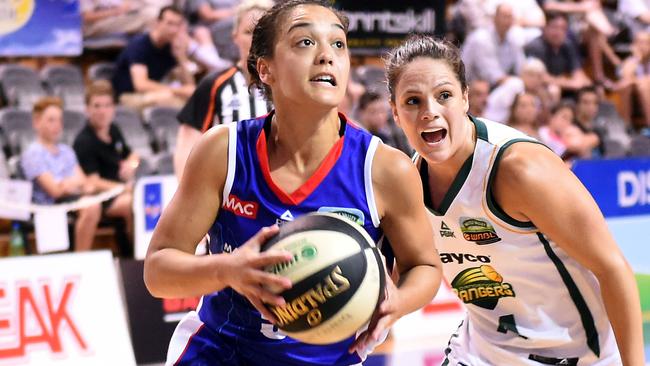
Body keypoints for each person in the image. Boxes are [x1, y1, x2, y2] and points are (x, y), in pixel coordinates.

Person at [144, 1, 442, 365]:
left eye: (338, 44)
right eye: (305, 42)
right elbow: (158, 270)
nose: (326, 56)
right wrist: (227, 270)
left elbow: (424, 267)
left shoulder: (385, 168)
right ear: (264, 69)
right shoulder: (222, 151)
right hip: (220, 352)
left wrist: (398, 301)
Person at [385, 34, 645, 365]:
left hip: (576, 354)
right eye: (412, 101)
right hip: (481, 352)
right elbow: (410, 275)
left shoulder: (519, 169)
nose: (429, 112)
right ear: (394, 112)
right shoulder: (407, 184)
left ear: (465, 98)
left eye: (444, 95)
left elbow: (612, 268)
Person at [174, 0, 273, 178]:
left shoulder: (289, 85)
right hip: (229, 192)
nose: (256, 39)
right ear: (234, 36)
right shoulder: (215, 84)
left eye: (263, 33)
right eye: (248, 32)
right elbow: (187, 142)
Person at [21, 97, 102, 252]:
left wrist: (66, 184)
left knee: (94, 203)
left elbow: (86, 184)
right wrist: (73, 183)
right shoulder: (32, 153)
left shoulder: (66, 151)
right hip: (48, 206)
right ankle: (81, 259)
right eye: (51, 120)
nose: (57, 125)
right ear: (37, 122)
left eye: (59, 120)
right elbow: (54, 191)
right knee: (92, 206)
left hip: (71, 200)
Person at [73, 81, 138, 255]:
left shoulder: (114, 130)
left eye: (107, 105)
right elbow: (92, 181)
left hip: (119, 190)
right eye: (97, 106)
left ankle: (140, 253)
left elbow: (132, 155)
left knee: (144, 199)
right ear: (87, 109)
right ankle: (134, 255)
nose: (102, 111)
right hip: (99, 197)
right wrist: (123, 189)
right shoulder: (84, 141)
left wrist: (130, 165)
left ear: (113, 108)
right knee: (134, 202)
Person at [112, 5, 197, 111]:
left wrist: (181, 56)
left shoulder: (170, 46)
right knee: (168, 97)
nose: (174, 30)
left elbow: (190, 87)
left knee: (189, 98)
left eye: (178, 25)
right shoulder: (140, 45)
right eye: (170, 23)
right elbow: (141, 85)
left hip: (153, 94)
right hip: (127, 96)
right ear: (158, 22)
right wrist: (179, 91)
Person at [461, 3, 525, 87]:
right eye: (505, 17)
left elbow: (521, 68)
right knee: (515, 85)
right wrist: (523, 83)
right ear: (494, 18)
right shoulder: (481, 38)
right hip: (470, 88)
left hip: (495, 87)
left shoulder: (513, 38)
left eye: (510, 17)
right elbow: (492, 76)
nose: (508, 21)